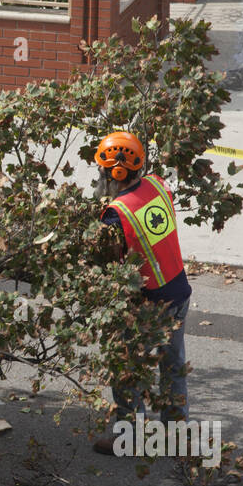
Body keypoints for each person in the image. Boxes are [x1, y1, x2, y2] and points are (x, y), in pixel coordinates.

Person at [91, 131, 193, 455]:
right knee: (172, 365)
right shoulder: (158, 185)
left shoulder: (116, 213)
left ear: (116, 172)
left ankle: (129, 438)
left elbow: (109, 262)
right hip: (180, 291)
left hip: (151, 303)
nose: (100, 176)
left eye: (102, 171)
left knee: (126, 368)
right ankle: (175, 434)